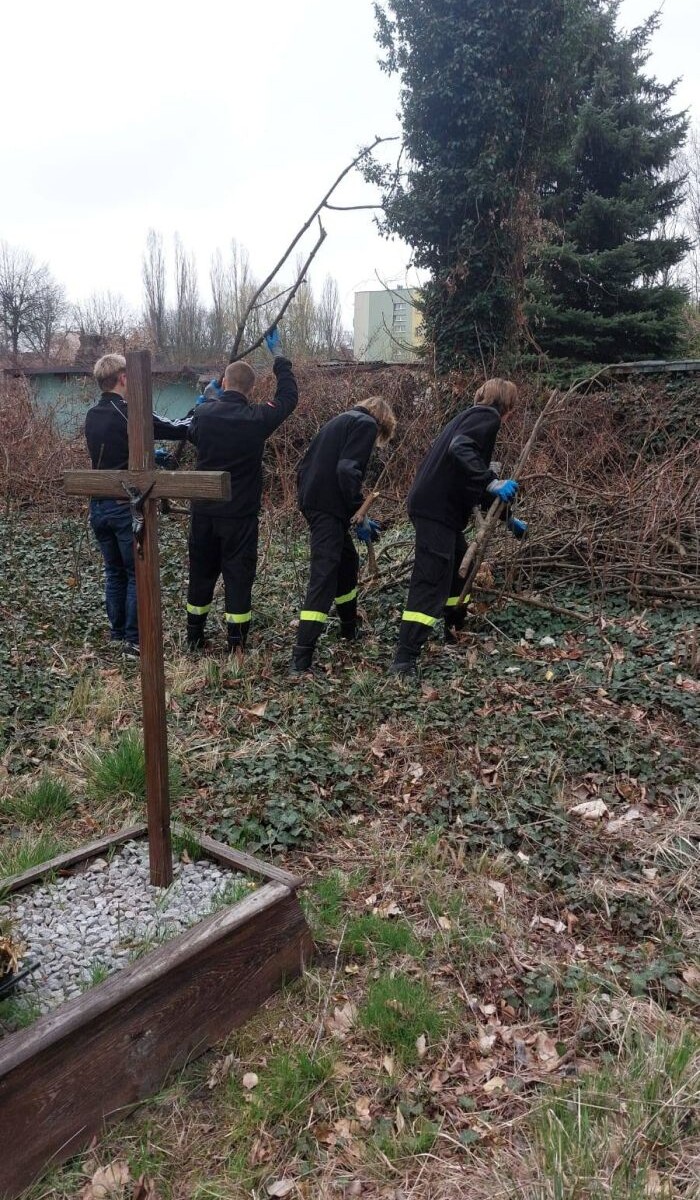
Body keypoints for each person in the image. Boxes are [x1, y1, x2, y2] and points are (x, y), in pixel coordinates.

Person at [390, 377, 527, 677]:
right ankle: (404, 659)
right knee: (432, 577)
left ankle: (454, 631)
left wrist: (508, 519)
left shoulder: (469, 418)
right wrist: (491, 480)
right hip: (435, 509)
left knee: (460, 567)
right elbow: (461, 449)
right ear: (507, 406)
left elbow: (471, 478)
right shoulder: (486, 417)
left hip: (441, 510)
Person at [186, 329, 298, 652]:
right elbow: (289, 398)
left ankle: (194, 639)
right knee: (238, 578)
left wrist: (207, 399)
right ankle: (236, 647)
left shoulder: (204, 414)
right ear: (251, 389)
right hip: (240, 516)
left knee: (201, 575)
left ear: (222, 382)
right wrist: (279, 357)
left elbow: (192, 432)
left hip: (204, 514)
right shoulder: (256, 418)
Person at [85, 353, 191, 656]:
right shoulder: (130, 412)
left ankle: (118, 634)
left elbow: (114, 451)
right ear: (123, 378)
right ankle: (134, 641)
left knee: (114, 571)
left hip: (99, 506)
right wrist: (207, 408)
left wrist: (149, 453)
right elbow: (176, 427)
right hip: (123, 507)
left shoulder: (92, 414)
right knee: (134, 573)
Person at [290, 395, 396, 675]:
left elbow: (302, 468)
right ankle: (301, 658)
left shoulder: (338, 421)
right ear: (382, 422)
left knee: (348, 562)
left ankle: (349, 628)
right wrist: (357, 510)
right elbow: (347, 469)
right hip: (328, 508)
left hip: (316, 502)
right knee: (324, 575)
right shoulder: (365, 424)